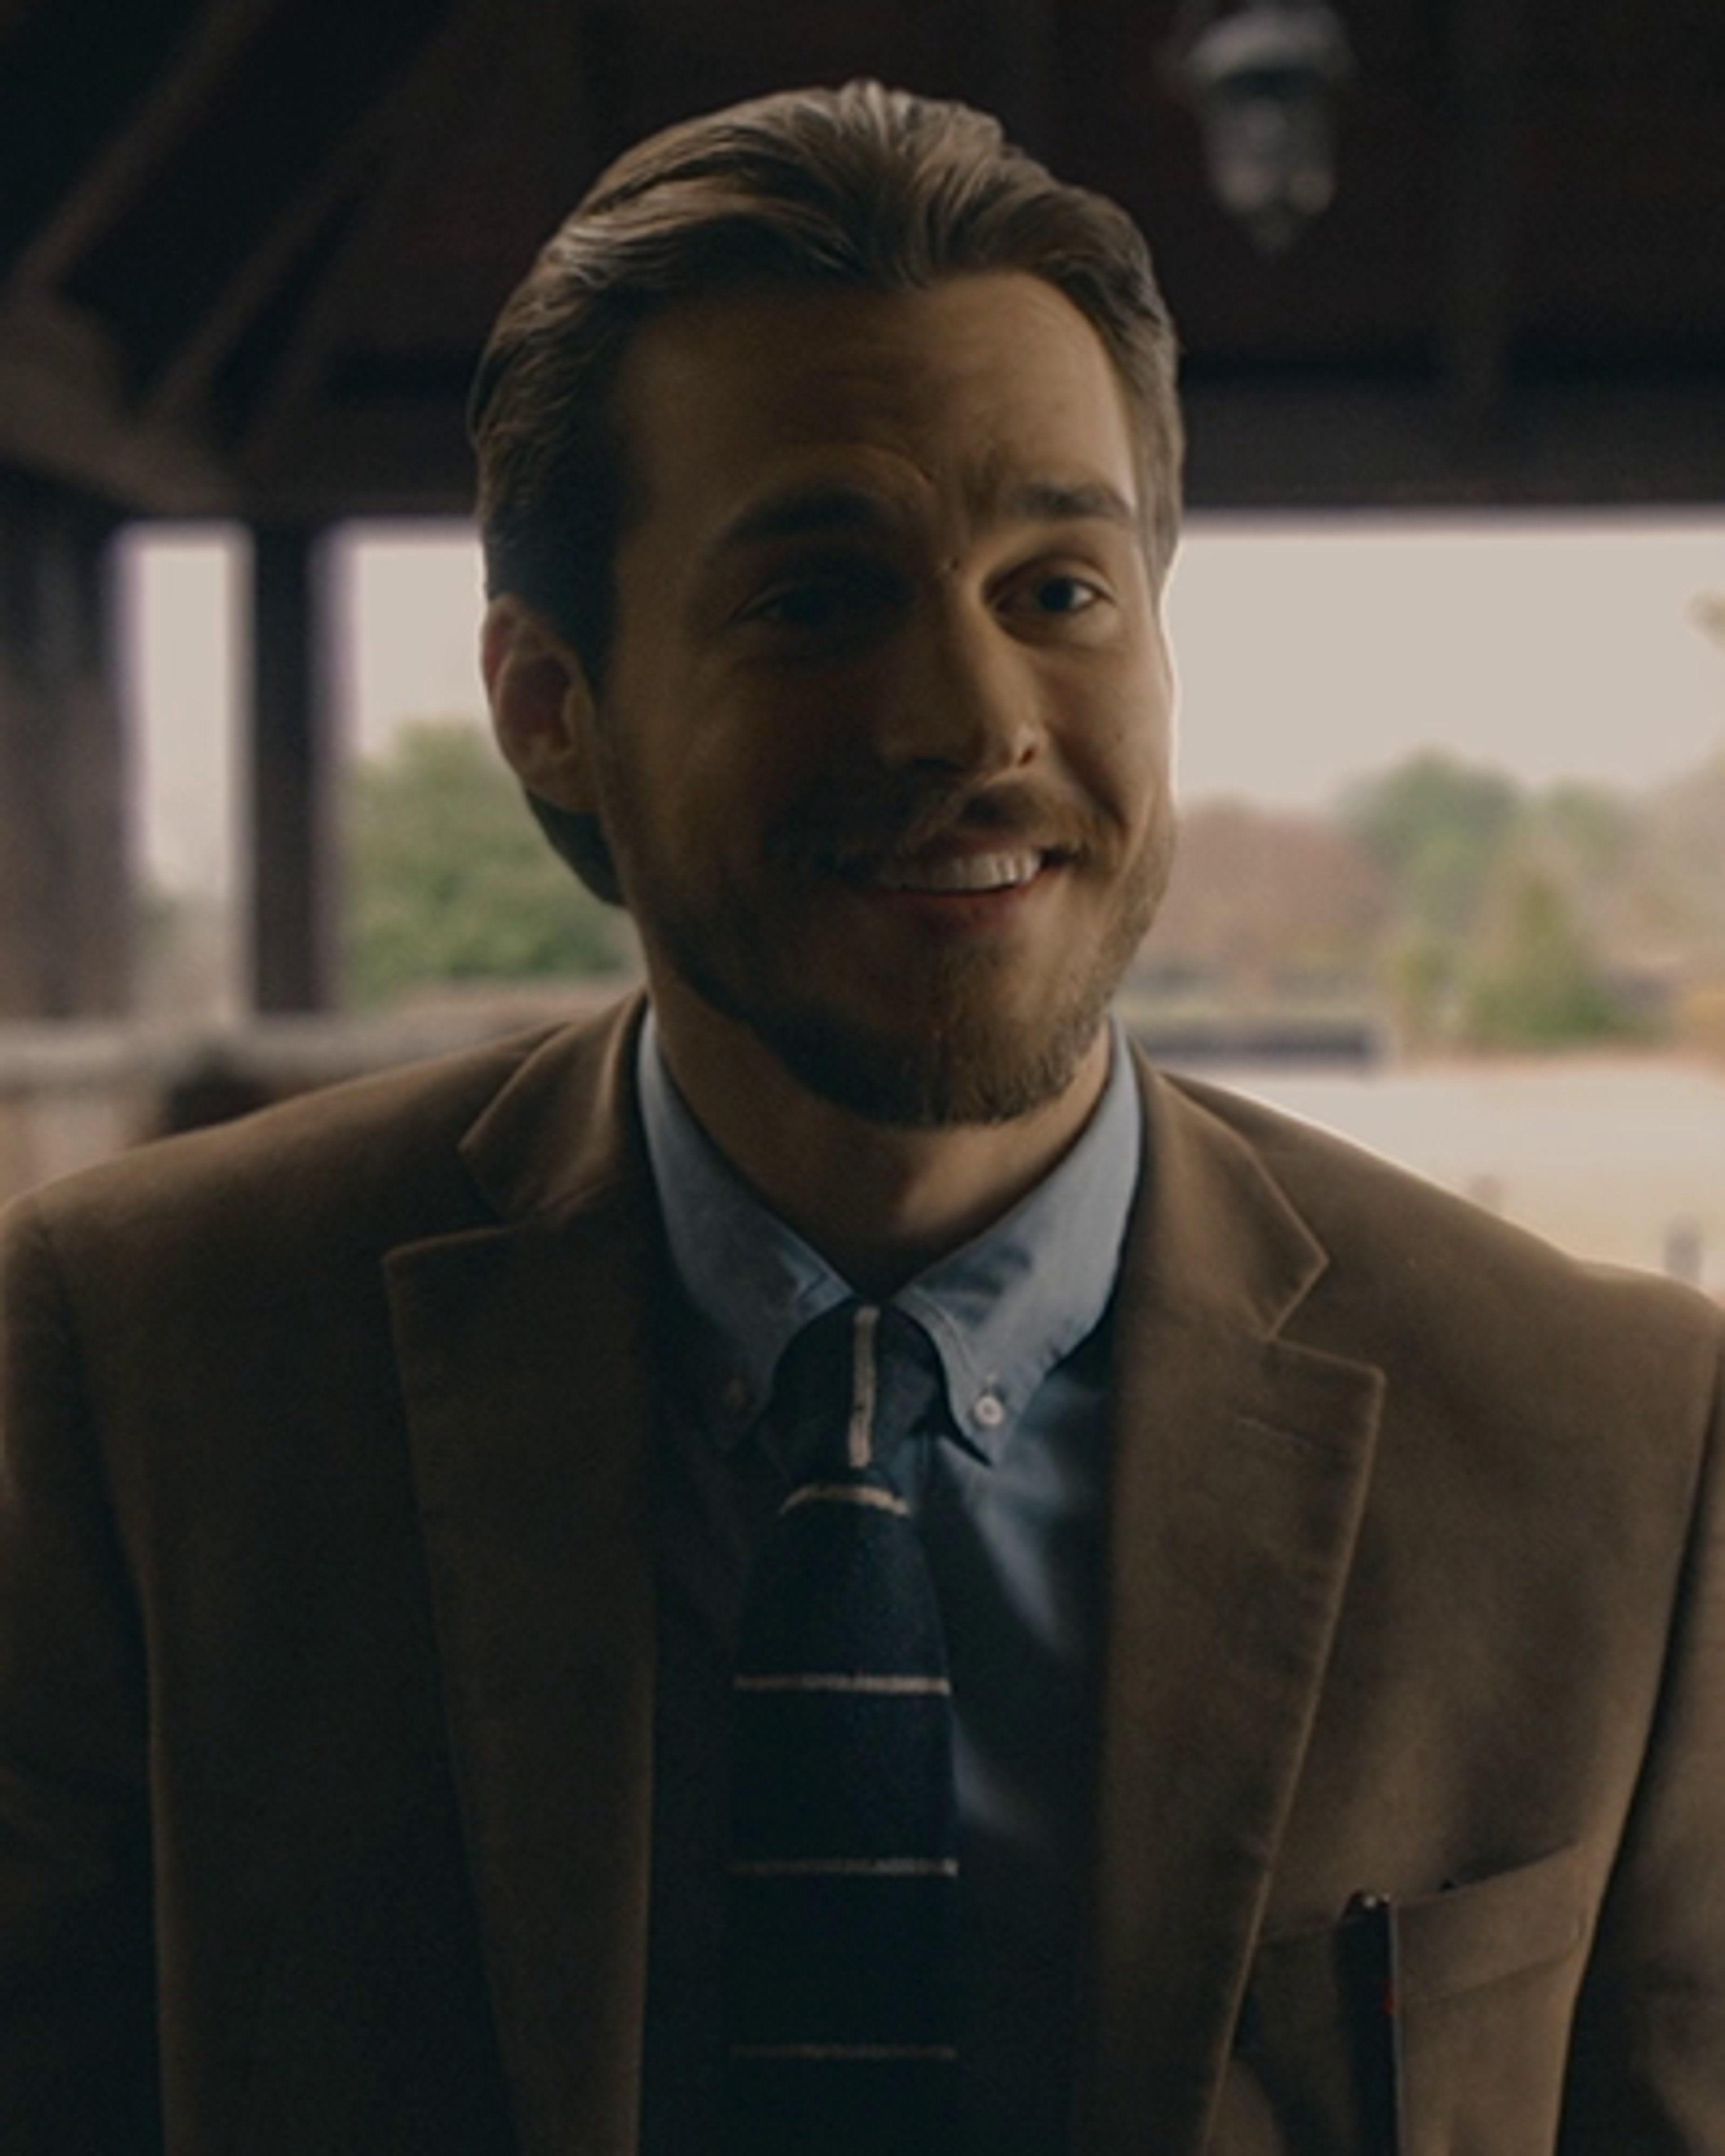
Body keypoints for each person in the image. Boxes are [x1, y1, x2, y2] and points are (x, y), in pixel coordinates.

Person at [1, 80, 1721, 2156]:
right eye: (818, 597)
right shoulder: (133, 1370)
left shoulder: (1616, 1453)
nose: (973, 719)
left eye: (1060, 590)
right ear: (552, 704)